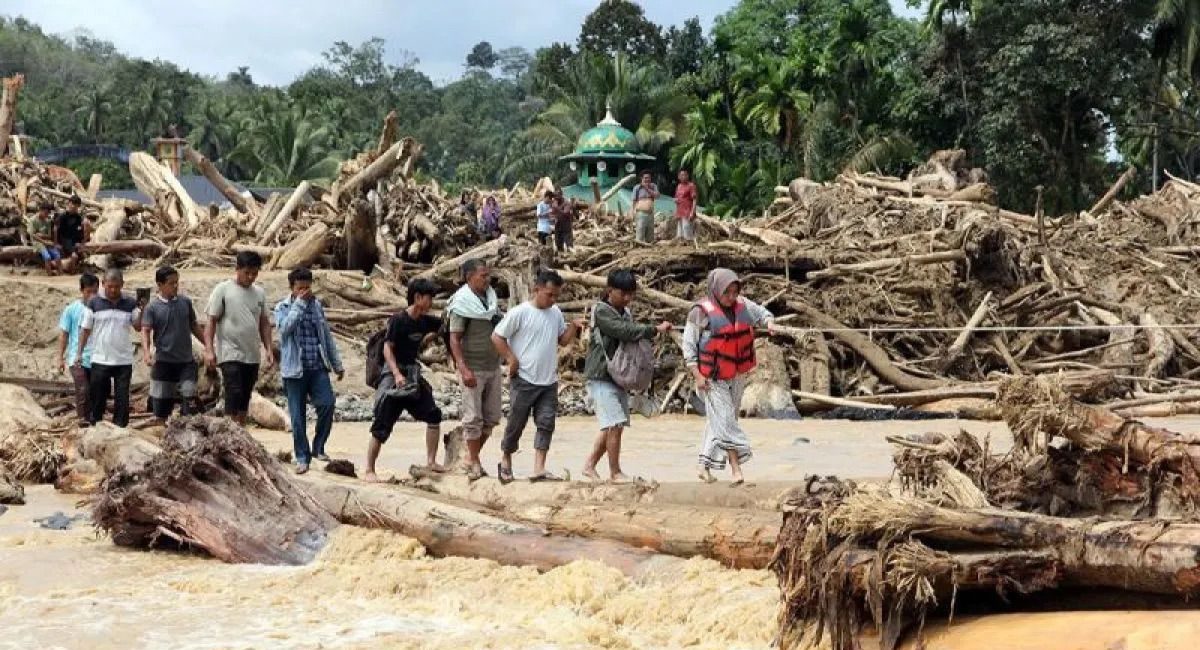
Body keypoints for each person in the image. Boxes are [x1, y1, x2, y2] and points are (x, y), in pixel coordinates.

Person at [491, 269, 585, 483]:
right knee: (516, 421)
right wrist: (510, 359)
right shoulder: (519, 312)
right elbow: (497, 336)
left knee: (546, 422)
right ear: (537, 290)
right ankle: (506, 460)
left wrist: (573, 327)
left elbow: (562, 340)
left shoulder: (556, 313)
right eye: (549, 294)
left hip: (548, 380)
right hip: (524, 378)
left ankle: (539, 467)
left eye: (556, 296)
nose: (553, 300)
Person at [683, 268, 776, 485]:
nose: (731, 297)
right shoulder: (699, 312)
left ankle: (703, 466)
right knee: (725, 421)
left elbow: (762, 314)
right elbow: (688, 347)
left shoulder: (743, 305)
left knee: (722, 420)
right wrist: (697, 375)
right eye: (727, 293)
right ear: (716, 290)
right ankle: (736, 469)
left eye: (735, 292)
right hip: (711, 378)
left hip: (735, 374)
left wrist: (769, 322)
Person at [581, 270, 672, 483]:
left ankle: (589, 465)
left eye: (630, 294)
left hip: (617, 376)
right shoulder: (602, 312)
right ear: (609, 290)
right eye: (624, 294)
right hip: (601, 374)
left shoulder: (624, 311)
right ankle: (615, 472)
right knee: (615, 424)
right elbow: (624, 331)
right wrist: (654, 329)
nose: (628, 299)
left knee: (614, 424)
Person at [366, 278, 444, 482]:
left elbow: (445, 323)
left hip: (413, 375)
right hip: (395, 375)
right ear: (417, 298)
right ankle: (369, 469)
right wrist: (397, 374)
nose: (432, 302)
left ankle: (431, 460)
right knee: (382, 424)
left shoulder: (425, 321)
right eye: (429, 298)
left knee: (434, 415)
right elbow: (387, 348)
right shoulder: (398, 320)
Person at [275, 267, 345, 474]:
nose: (304, 291)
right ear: (292, 288)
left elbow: (326, 336)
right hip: (294, 370)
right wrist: (298, 305)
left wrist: (337, 364)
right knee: (297, 418)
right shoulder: (283, 307)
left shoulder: (317, 307)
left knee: (327, 404)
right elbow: (285, 330)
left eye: (307, 287)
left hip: (317, 367)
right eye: (300, 288)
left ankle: (318, 447)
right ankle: (302, 457)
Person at [203, 251, 274, 426]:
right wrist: (209, 350)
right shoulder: (223, 289)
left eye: (254, 274)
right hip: (230, 352)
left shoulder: (259, 293)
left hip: (252, 354)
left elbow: (264, 323)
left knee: (245, 397)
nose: (250, 277)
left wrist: (269, 349)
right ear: (237, 269)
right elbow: (211, 321)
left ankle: (240, 431)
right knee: (233, 392)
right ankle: (229, 429)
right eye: (247, 273)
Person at [447, 259, 502, 480]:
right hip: (473, 367)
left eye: (488, 275)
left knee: (492, 417)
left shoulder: (490, 300)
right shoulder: (462, 303)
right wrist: (463, 367)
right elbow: (454, 338)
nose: (487, 279)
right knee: (472, 418)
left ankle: (471, 456)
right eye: (482, 276)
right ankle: (474, 461)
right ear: (469, 277)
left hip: (492, 365)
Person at [76, 269, 143, 427]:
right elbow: (85, 331)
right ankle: (96, 426)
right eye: (110, 286)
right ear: (103, 284)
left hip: (123, 360)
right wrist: (79, 353)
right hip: (100, 359)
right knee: (97, 397)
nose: (113, 290)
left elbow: (138, 327)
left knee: (122, 399)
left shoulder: (130, 304)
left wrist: (142, 310)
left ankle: (120, 429)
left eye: (117, 287)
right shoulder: (93, 303)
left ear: (122, 285)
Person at [141, 266, 205, 424]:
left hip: (186, 361)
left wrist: (208, 345)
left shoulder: (185, 303)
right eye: (171, 283)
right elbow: (145, 330)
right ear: (160, 285)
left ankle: (188, 429)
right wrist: (147, 353)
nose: (175, 286)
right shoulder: (152, 308)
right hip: (163, 361)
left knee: (189, 395)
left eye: (177, 282)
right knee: (161, 407)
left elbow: (194, 325)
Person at [58, 273, 99, 425]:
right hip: (77, 357)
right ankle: (83, 421)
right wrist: (60, 358)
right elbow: (64, 335)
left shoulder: (101, 308)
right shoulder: (71, 310)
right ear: (81, 290)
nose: (92, 295)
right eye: (89, 291)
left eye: (95, 291)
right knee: (83, 390)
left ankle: (94, 420)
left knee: (97, 391)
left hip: (97, 357)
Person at [54, 195, 89, 273]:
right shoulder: (62, 216)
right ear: (69, 203)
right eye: (73, 204)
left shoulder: (78, 217)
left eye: (76, 206)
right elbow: (55, 229)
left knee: (82, 254)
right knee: (74, 256)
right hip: (65, 240)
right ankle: (72, 271)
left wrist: (81, 242)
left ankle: (70, 266)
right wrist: (56, 243)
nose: (74, 207)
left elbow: (79, 230)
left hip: (74, 240)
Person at [27, 203, 62, 275]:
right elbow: (32, 235)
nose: (46, 215)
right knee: (47, 257)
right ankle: (49, 275)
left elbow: (49, 235)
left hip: (47, 242)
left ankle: (61, 273)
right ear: (40, 210)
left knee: (57, 255)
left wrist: (41, 235)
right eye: (45, 213)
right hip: (37, 243)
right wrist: (44, 241)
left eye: (48, 213)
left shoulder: (47, 221)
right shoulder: (32, 220)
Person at [632, 171, 659, 244]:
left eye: (649, 178)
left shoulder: (653, 186)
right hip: (640, 213)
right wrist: (633, 212)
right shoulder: (637, 187)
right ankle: (639, 249)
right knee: (640, 232)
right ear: (641, 178)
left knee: (650, 234)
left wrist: (647, 188)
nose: (647, 179)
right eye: (645, 178)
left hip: (650, 213)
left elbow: (657, 196)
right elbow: (634, 201)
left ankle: (649, 249)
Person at [674, 169, 698, 242]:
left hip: (687, 212)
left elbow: (694, 199)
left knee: (687, 232)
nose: (683, 176)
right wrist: (676, 201)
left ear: (688, 176)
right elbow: (677, 198)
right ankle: (681, 250)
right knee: (680, 234)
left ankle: (689, 248)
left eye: (685, 175)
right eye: (681, 175)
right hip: (680, 212)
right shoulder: (678, 186)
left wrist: (692, 212)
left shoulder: (691, 186)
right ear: (678, 177)